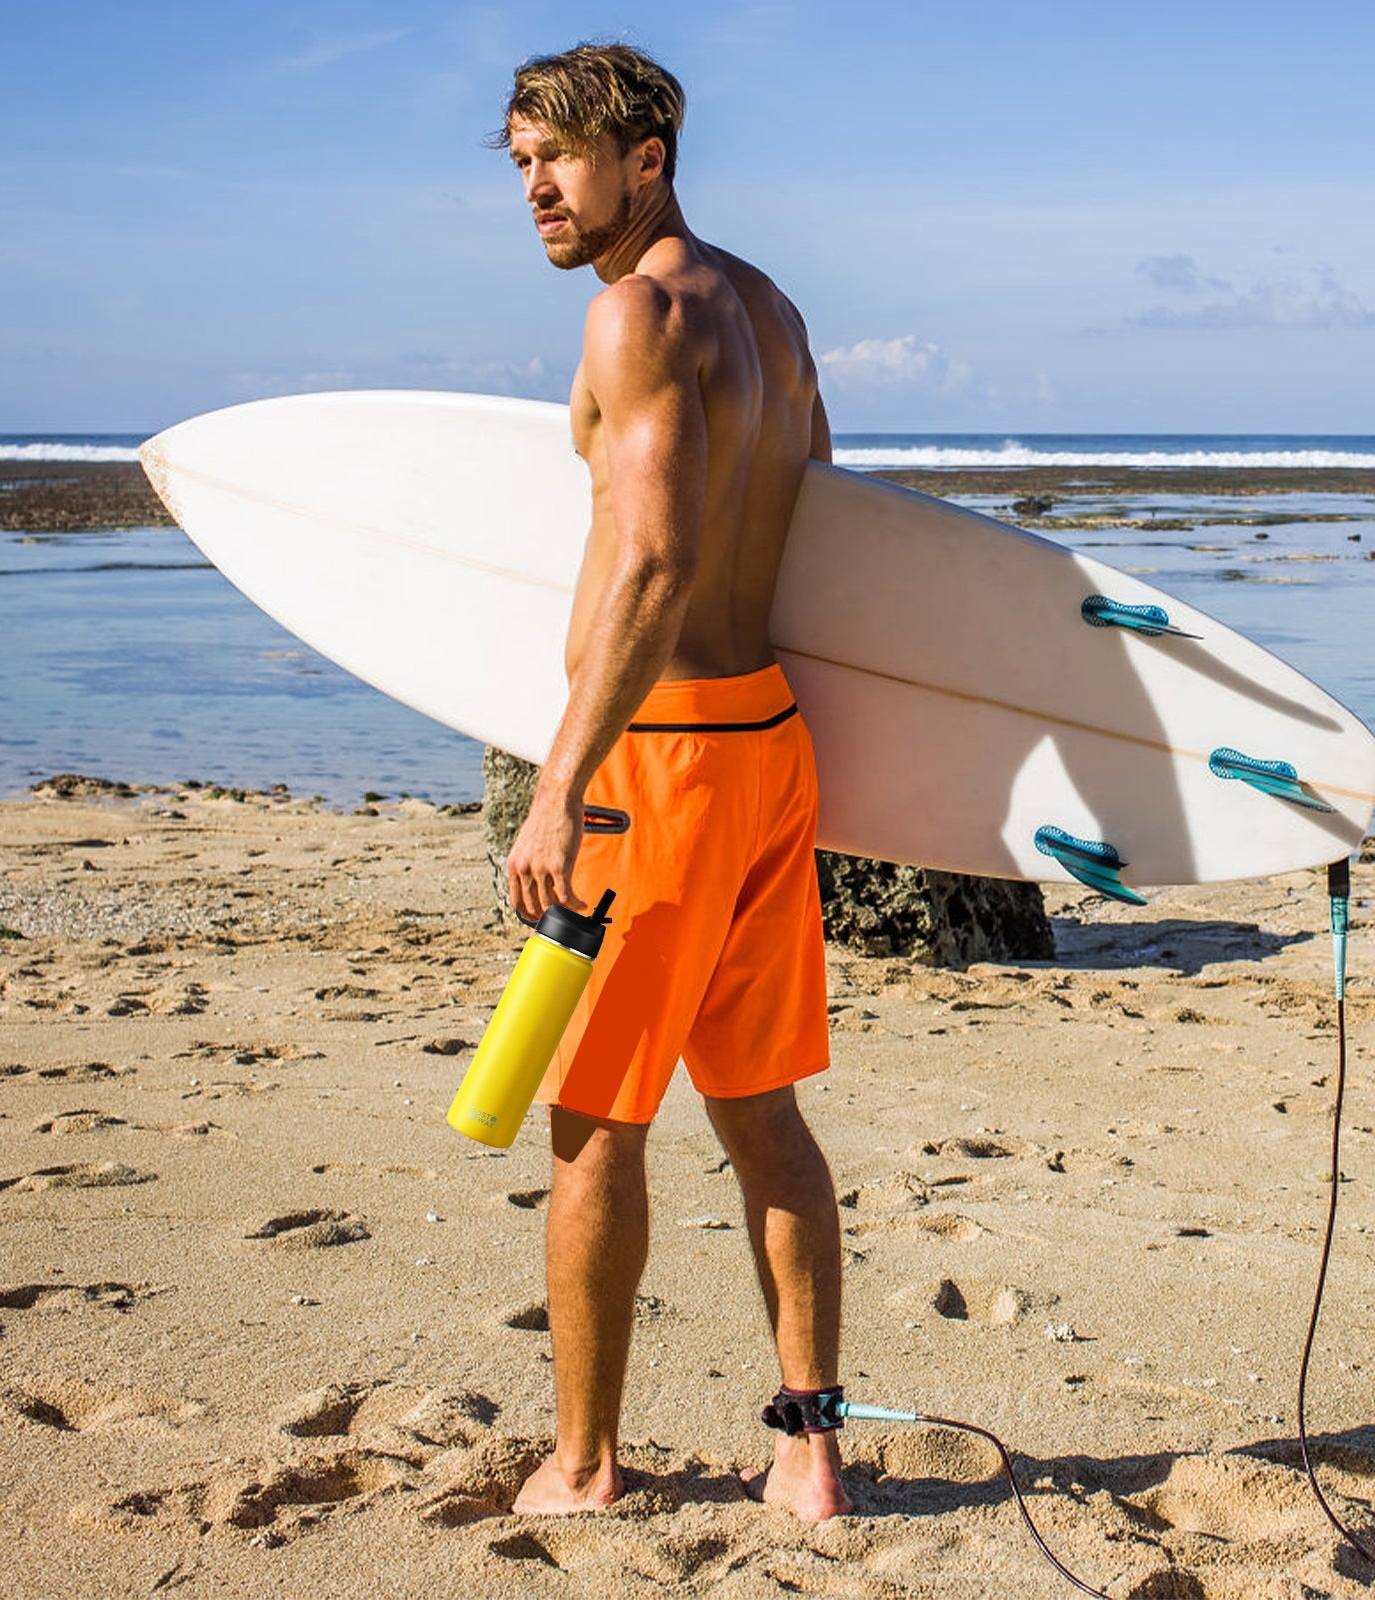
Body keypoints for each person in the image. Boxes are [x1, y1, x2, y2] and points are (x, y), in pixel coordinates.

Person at [494, 43, 849, 1523]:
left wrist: (557, 783)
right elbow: (829, 525)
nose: (534, 192)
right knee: (761, 1111)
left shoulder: (633, 320)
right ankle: (808, 1450)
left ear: (648, 157)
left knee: (593, 1120)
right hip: (767, 745)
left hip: (661, 767)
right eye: (518, 166)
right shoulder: (768, 312)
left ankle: (581, 1469)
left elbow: (654, 559)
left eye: (557, 160)